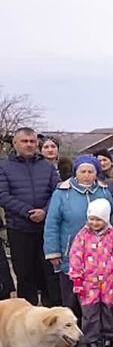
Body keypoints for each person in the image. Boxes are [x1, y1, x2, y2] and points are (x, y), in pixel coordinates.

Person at [44, 155, 113, 320]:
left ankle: (94, 328)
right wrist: (53, 251)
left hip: (99, 257)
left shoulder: (104, 191)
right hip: (70, 254)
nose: (87, 175)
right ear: (76, 172)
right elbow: (52, 223)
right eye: (83, 171)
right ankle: (70, 326)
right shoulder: (62, 193)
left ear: (97, 173)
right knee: (70, 296)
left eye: (91, 171)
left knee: (96, 297)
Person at [0, 127, 61, 307]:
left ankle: (52, 314)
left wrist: (45, 211)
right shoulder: (4, 167)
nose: (29, 145)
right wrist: (28, 213)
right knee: (25, 276)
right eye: (25, 141)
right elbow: (3, 195)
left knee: (49, 276)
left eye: (32, 141)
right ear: (15, 143)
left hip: (46, 230)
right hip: (19, 229)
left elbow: (57, 192)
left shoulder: (47, 167)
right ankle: (27, 316)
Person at [69, 198, 113, 347]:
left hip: (109, 283)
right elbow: (75, 257)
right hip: (88, 283)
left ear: (106, 219)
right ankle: (92, 341)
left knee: (108, 312)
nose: (94, 223)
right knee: (90, 313)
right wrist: (77, 279)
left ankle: (108, 339)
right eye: (92, 219)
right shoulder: (82, 236)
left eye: (98, 220)